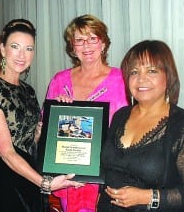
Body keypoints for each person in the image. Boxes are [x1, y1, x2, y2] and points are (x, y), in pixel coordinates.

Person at [0, 19, 83, 212]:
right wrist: (45, 183)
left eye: (29, 49)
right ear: (2, 49)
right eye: (15, 47)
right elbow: (6, 152)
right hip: (5, 182)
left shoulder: (28, 91)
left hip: (28, 176)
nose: (22, 55)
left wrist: (56, 113)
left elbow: (28, 141)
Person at [97, 40, 184, 212]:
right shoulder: (120, 116)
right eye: (134, 72)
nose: (141, 79)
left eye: (152, 71)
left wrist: (147, 197)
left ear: (168, 77)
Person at [45, 14, 128, 212]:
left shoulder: (121, 79)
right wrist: (57, 114)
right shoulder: (59, 80)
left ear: (104, 43)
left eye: (93, 38)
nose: (87, 45)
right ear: (72, 47)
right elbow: (44, 135)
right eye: (79, 40)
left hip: (107, 177)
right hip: (69, 176)